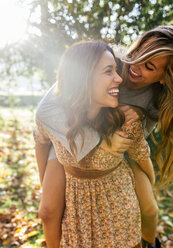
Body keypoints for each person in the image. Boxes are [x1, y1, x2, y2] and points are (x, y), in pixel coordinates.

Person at [36, 25, 173, 248]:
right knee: (48, 210)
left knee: (149, 208)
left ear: (164, 77)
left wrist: (129, 123)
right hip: (70, 137)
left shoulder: (155, 101)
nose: (135, 66)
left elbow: (136, 143)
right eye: (138, 53)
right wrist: (99, 143)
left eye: (148, 66)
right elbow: (48, 108)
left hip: (121, 150)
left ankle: (148, 243)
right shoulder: (108, 60)